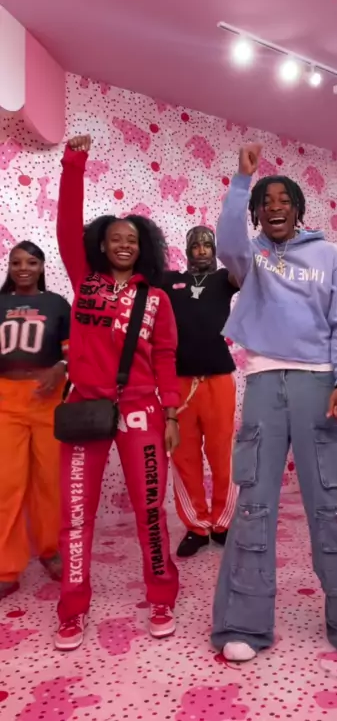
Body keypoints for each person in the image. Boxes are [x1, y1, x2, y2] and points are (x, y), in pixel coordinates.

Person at [211, 144, 337, 663]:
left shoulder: (328, 258)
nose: (275, 206)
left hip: (321, 386)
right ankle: (243, 624)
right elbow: (228, 241)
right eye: (266, 202)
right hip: (263, 384)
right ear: (257, 213)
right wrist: (242, 181)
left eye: (284, 200)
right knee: (254, 504)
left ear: (298, 209)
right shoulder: (252, 256)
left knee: (332, 505)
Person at [54, 134, 180, 651]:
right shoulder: (84, 281)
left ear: (143, 246)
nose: (124, 244)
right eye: (115, 238)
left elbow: (167, 358)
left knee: (150, 510)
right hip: (85, 408)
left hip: (141, 411)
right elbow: (66, 225)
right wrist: (74, 164)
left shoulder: (158, 299)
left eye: (132, 238)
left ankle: (161, 595)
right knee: (75, 515)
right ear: (102, 245)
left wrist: (171, 414)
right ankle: (72, 607)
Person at [0, 241, 70, 601]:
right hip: (5, 400)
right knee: (6, 484)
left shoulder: (57, 304)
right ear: (9, 267)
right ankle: (6, 568)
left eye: (30, 262)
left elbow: (74, 351)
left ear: (42, 266)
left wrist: (60, 368)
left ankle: (49, 549)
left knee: (49, 481)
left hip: (47, 401)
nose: (23, 268)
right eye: (16, 262)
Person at [162, 226, 238, 557]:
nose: (202, 250)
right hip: (179, 382)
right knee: (184, 456)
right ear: (187, 249)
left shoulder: (224, 279)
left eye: (208, 244)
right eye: (196, 245)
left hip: (218, 379)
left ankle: (223, 523)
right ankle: (196, 525)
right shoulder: (170, 281)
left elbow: (244, 267)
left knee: (222, 454)